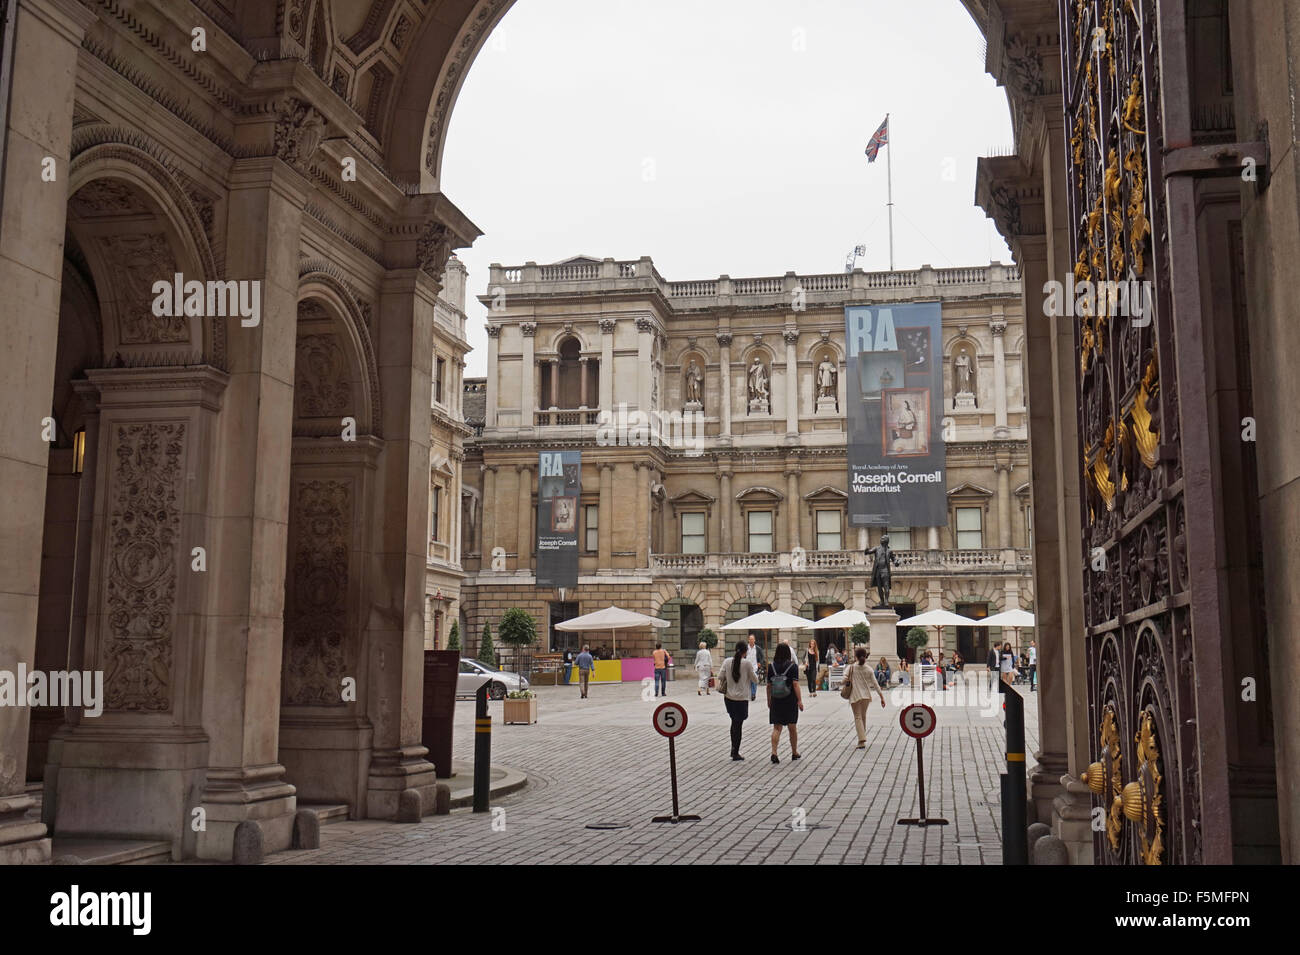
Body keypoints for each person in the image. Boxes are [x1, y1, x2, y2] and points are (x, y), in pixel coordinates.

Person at [716, 642, 757, 760]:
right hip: (742, 699)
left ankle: (734, 749)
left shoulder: (727, 661)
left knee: (734, 722)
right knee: (738, 724)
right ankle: (735, 752)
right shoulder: (747, 663)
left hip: (729, 698)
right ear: (745, 652)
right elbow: (755, 679)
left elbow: (720, 676)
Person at [766, 643, 804, 763]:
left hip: (776, 699)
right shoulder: (793, 666)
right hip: (790, 699)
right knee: (792, 727)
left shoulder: (771, 666)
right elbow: (795, 684)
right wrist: (800, 700)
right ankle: (794, 752)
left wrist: (769, 700)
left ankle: (774, 752)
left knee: (777, 727)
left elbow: (768, 686)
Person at [845, 646, 886, 749]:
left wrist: (846, 681)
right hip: (866, 696)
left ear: (856, 656)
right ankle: (861, 741)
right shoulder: (869, 669)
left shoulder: (851, 667)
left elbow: (844, 678)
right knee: (863, 716)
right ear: (865, 656)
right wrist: (881, 697)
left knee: (857, 717)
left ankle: (861, 738)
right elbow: (875, 684)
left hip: (855, 695)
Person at [747, 634, 766, 700]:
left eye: (752, 639)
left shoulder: (758, 648)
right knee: (748, 681)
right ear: (748, 640)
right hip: (747, 667)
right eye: (750, 639)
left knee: (754, 681)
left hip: (755, 667)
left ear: (754, 640)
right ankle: (749, 693)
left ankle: (753, 694)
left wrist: (760, 663)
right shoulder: (746, 648)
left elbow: (762, 657)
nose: (751, 640)